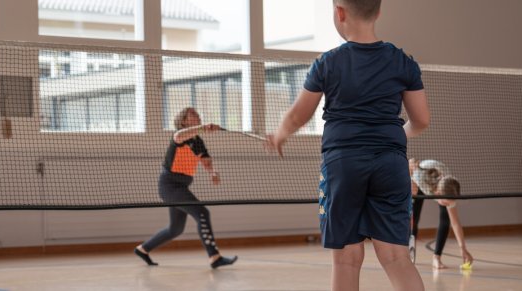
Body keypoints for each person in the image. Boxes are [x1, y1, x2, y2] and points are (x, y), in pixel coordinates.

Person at [266, 0, 431, 289]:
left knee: (346, 259)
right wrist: (391, 139)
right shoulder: (403, 61)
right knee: (396, 257)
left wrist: (281, 132)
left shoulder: (328, 62)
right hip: (391, 165)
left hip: (344, 165)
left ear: (339, 12)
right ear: (378, 12)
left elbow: (297, 116)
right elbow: (421, 121)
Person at [135, 107, 238, 269]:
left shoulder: (198, 141)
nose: (197, 114)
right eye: (192, 113)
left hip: (182, 186)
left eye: (197, 113)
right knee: (202, 213)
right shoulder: (179, 135)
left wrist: (213, 172)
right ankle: (214, 257)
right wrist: (203, 128)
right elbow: (179, 136)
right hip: (170, 186)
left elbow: (206, 160)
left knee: (175, 229)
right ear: (183, 121)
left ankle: (143, 249)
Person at [408, 159, 473, 270]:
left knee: (445, 221)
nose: (448, 205)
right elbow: (410, 163)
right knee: (414, 219)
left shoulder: (451, 188)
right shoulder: (420, 176)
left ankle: (436, 258)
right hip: (418, 183)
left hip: (437, 185)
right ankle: (409, 255)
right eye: (446, 203)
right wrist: (410, 184)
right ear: (437, 193)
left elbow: (455, 222)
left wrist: (463, 249)